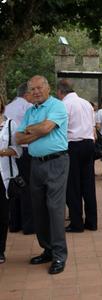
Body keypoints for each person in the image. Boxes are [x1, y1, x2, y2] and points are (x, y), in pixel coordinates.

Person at [16, 75, 69, 274]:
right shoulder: (30, 111)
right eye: (32, 89)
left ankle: (59, 255)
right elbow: (18, 136)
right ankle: (47, 249)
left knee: (54, 209)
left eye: (39, 88)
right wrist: (36, 130)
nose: (36, 92)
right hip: (36, 164)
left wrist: (32, 130)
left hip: (56, 162)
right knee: (38, 208)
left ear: (47, 88)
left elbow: (47, 128)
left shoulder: (57, 106)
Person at [56, 79, 97, 233]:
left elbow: (60, 128)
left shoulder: (63, 105)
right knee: (88, 185)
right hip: (88, 144)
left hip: (73, 145)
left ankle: (76, 223)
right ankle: (92, 222)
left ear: (60, 92)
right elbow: (92, 126)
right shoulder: (86, 103)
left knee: (72, 186)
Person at [4, 82, 34, 234]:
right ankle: (28, 225)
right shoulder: (28, 107)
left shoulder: (8, 107)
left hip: (9, 152)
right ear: (26, 94)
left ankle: (14, 223)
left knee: (13, 185)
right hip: (25, 150)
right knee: (27, 187)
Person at [0, 101, 22, 264]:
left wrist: (2, 152)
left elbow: (18, 150)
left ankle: (0, 250)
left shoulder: (10, 125)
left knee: (2, 215)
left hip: (4, 175)